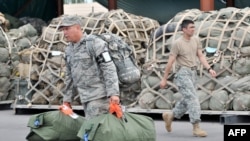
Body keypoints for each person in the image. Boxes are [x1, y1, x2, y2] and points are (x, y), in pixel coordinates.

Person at [160, 19, 216, 137]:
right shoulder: (177, 43)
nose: (193, 29)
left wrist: (209, 68)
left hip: (193, 73)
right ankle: (196, 127)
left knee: (188, 99)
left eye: (194, 27)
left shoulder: (196, 40)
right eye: (191, 27)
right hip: (182, 74)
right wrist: (164, 79)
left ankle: (170, 116)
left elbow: (200, 56)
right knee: (193, 99)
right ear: (184, 29)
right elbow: (170, 62)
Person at [59, 15, 120, 119]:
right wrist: (67, 99)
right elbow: (69, 76)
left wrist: (114, 93)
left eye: (67, 29)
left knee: (94, 130)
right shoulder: (69, 50)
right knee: (93, 129)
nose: (65, 33)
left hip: (99, 97)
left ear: (78, 28)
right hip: (85, 98)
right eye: (63, 30)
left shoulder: (95, 44)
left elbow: (109, 68)